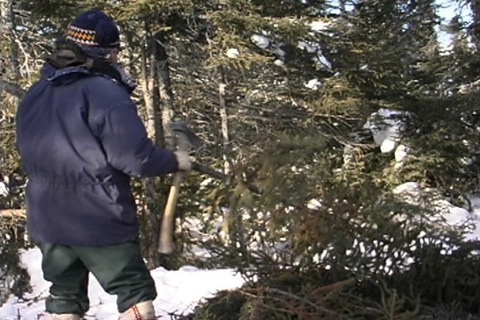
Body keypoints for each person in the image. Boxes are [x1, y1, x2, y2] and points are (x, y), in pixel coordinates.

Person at [15, 9, 191, 320]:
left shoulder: (35, 94)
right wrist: (174, 160)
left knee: (64, 298)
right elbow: (134, 158)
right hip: (98, 215)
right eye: (113, 51)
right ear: (104, 52)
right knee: (135, 294)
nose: (115, 57)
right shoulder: (104, 92)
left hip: (48, 219)